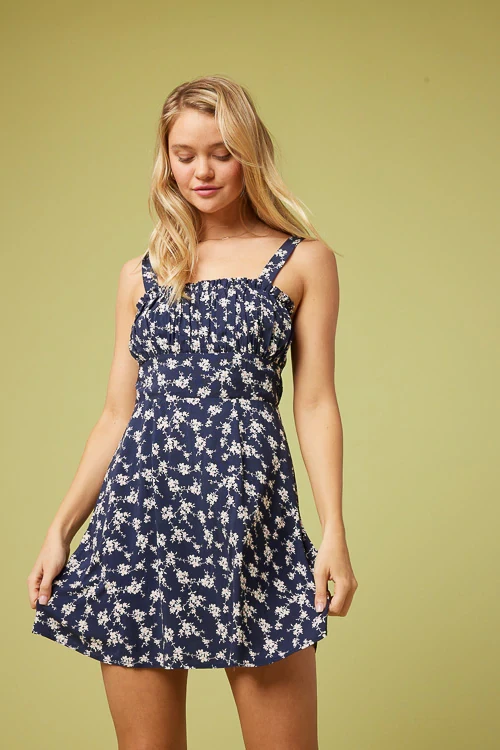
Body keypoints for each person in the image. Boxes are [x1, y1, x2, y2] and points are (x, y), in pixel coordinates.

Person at [27, 74, 357, 749]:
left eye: (220, 152)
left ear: (250, 154)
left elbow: (316, 402)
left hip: (251, 519)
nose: (201, 171)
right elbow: (117, 415)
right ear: (167, 162)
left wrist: (334, 532)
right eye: (185, 155)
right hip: (140, 521)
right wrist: (61, 529)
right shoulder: (142, 272)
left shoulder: (304, 261)